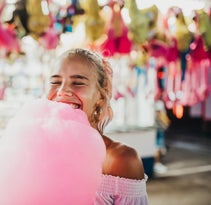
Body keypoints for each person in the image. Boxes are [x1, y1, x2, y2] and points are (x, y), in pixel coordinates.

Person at [46, 48, 149, 204]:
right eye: (55, 82)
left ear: (101, 96)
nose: (62, 91)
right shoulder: (33, 151)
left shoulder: (120, 160)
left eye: (78, 83)